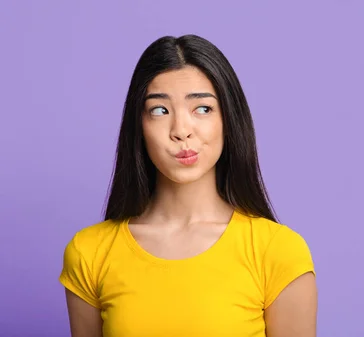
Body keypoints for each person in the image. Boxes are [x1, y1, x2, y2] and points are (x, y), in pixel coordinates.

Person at [58, 34, 317, 337]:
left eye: (203, 109)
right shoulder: (90, 252)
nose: (181, 130)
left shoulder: (278, 252)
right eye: (159, 110)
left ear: (229, 119)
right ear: (138, 127)